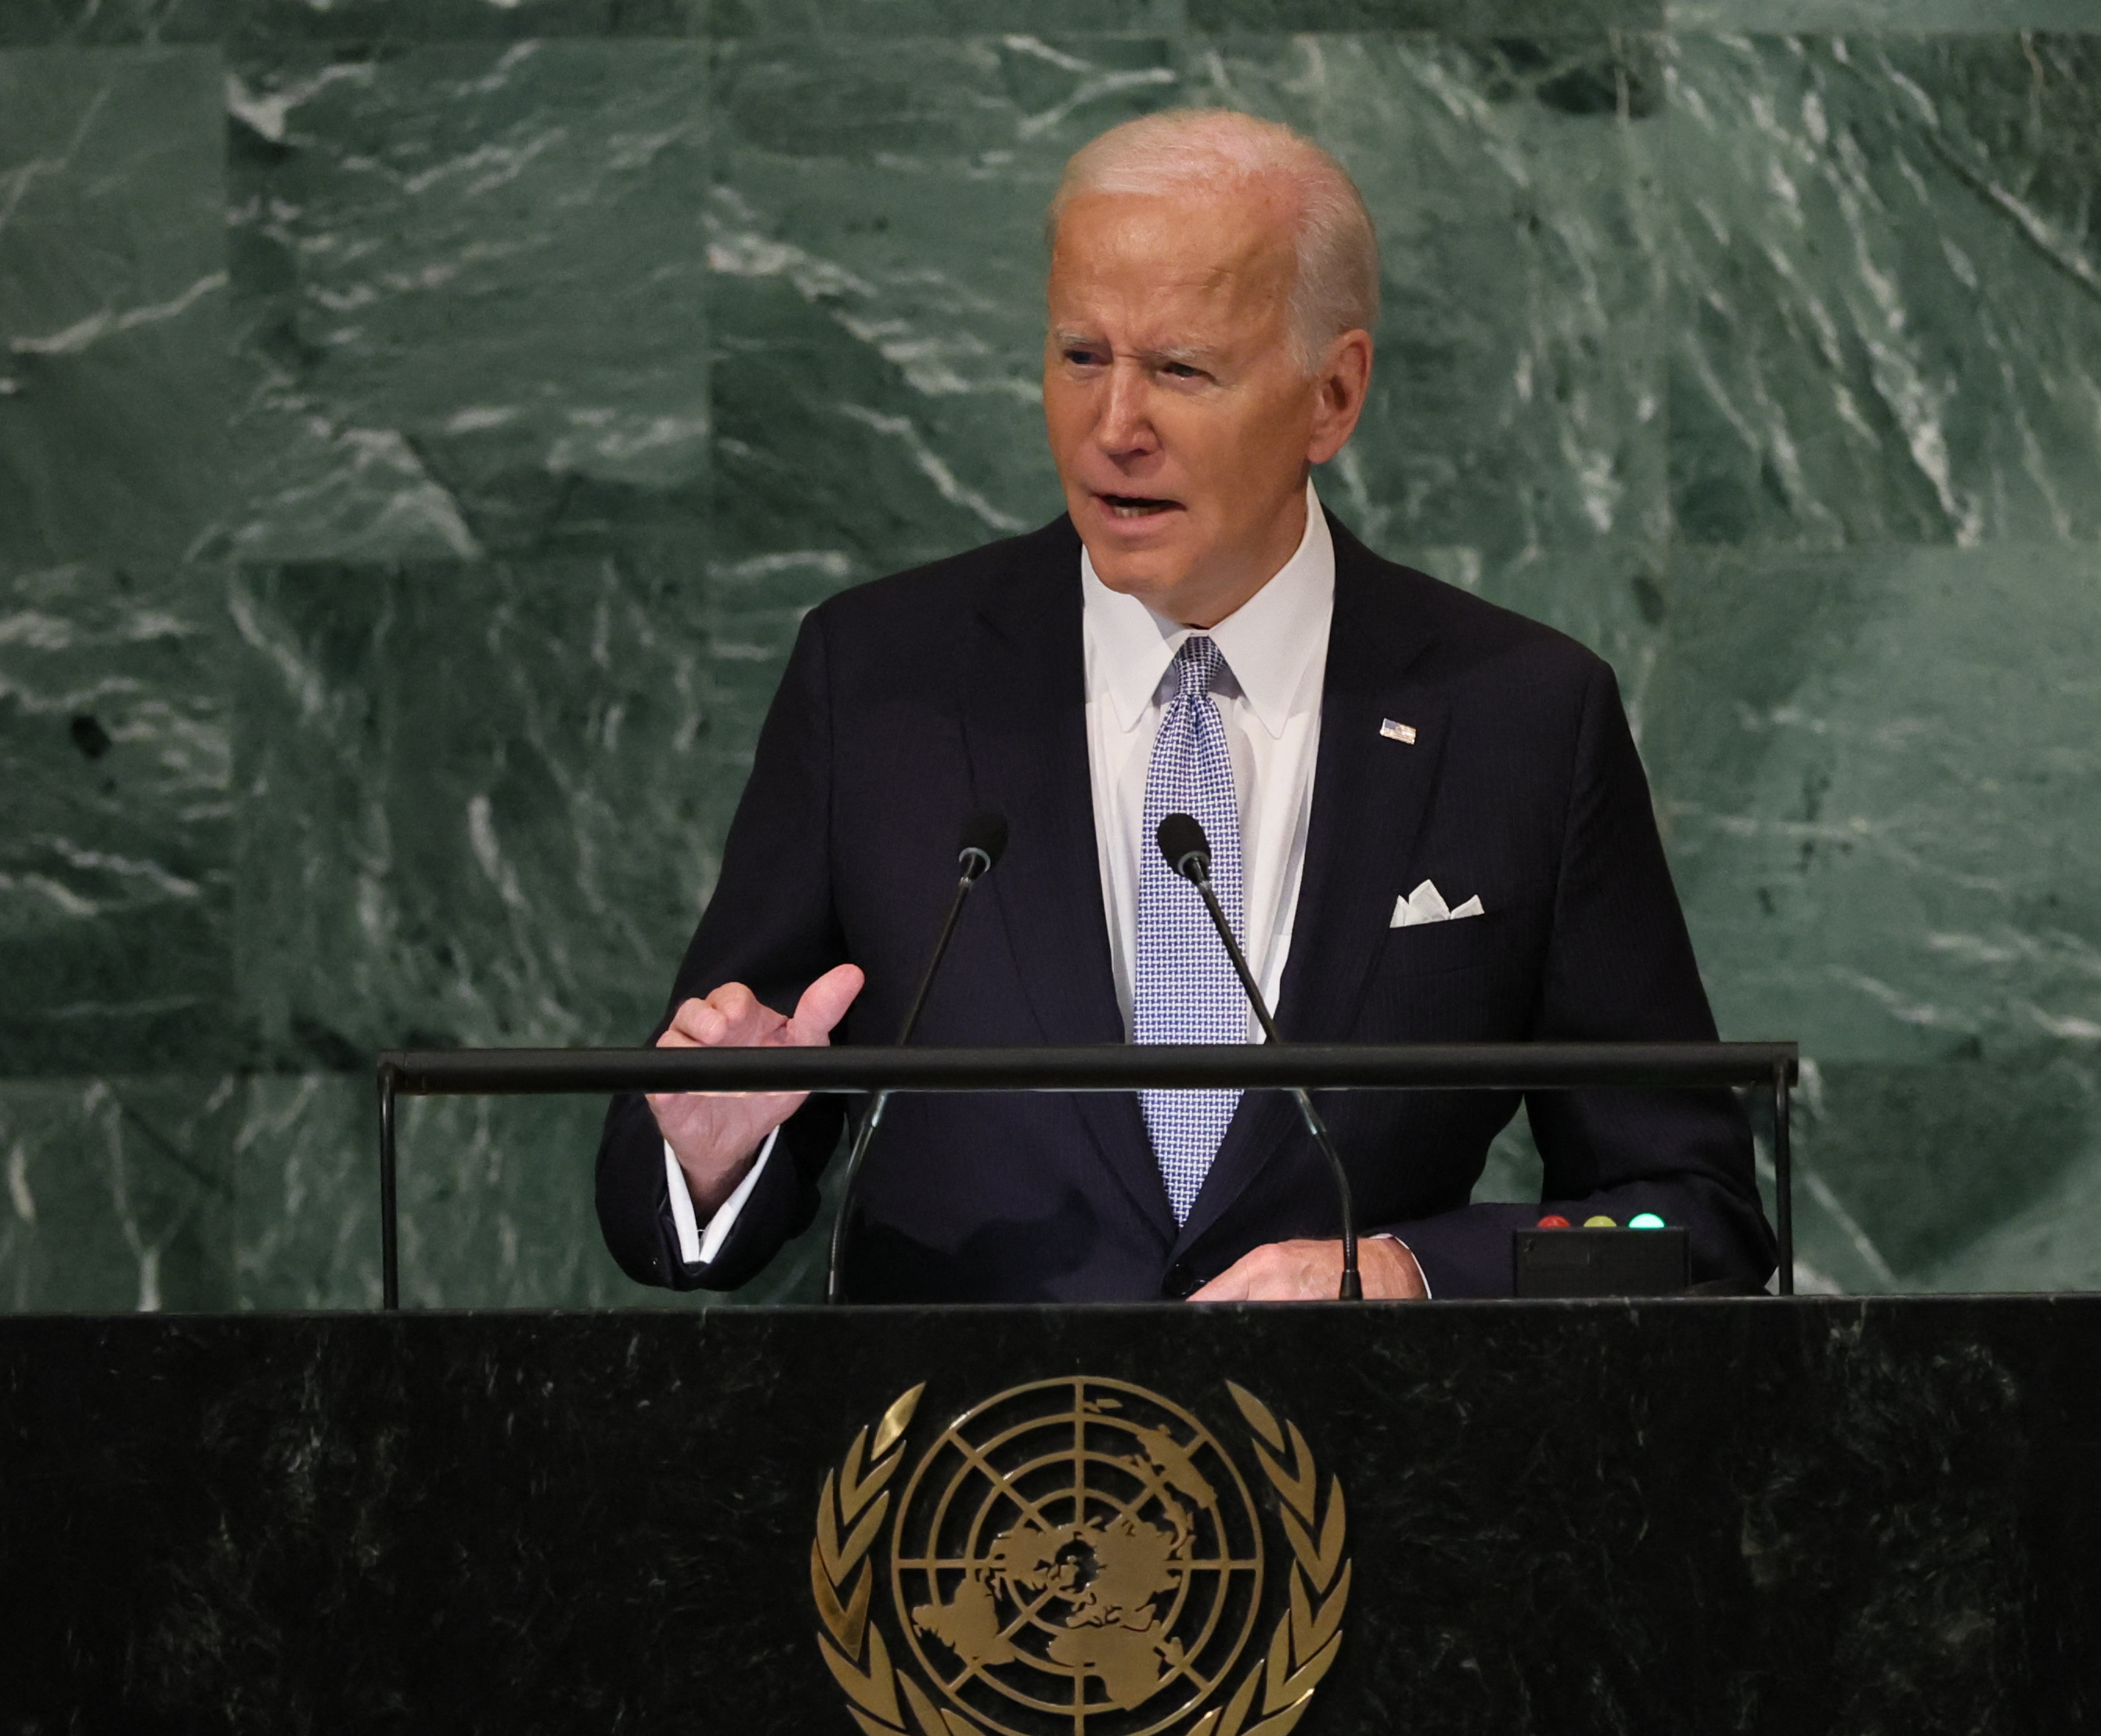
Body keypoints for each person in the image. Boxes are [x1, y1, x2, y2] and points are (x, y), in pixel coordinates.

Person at [596, 109, 1771, 1302]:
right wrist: (711, 1155)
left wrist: (1412, 1274)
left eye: (1179, 370)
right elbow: (674, 1163)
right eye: (1080, 358)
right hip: (964, 1475)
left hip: (1363, 1472)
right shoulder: (882, 683)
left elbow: (1689, 1222)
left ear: (1333, 395)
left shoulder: (1520, 719)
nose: (1115, 429)